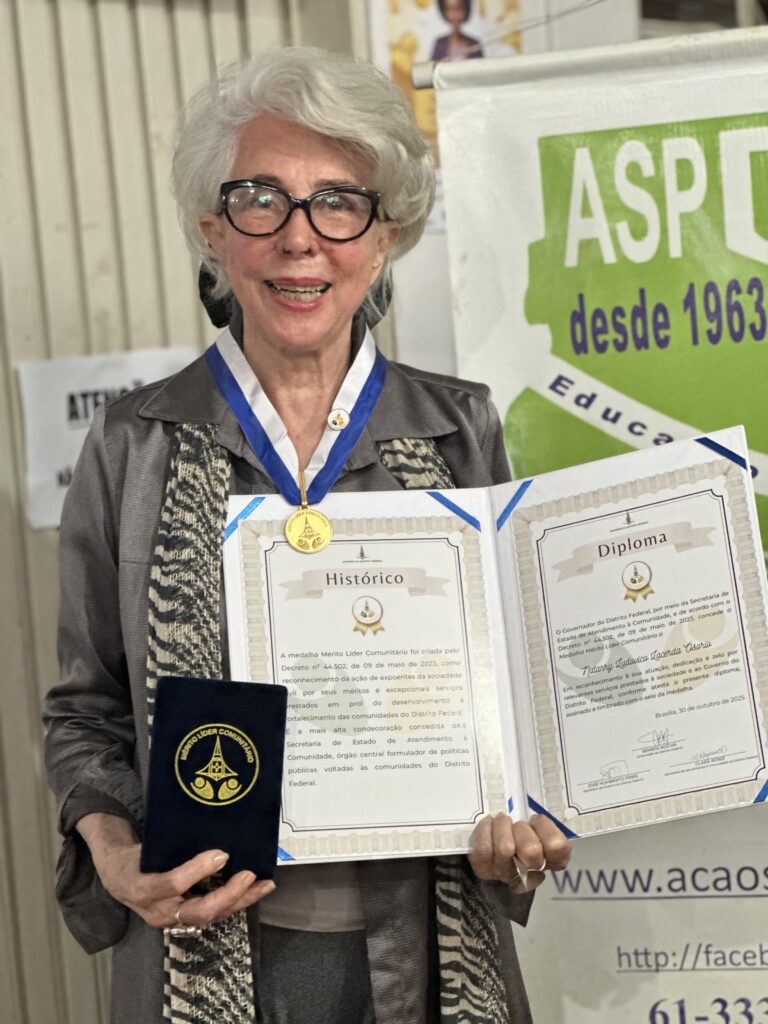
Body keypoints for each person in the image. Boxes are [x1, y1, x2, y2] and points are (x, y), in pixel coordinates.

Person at [43, 46, 570, 1024]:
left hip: (429, 946)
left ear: (386, 234)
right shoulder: (134, 443)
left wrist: (532, 806)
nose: (300, 239)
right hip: (206, 949)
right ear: (214, 229)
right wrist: (115, 855)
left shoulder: (458, 431)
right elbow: (85, 711)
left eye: (339, 203)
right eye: (261, 200)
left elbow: (518, 698)